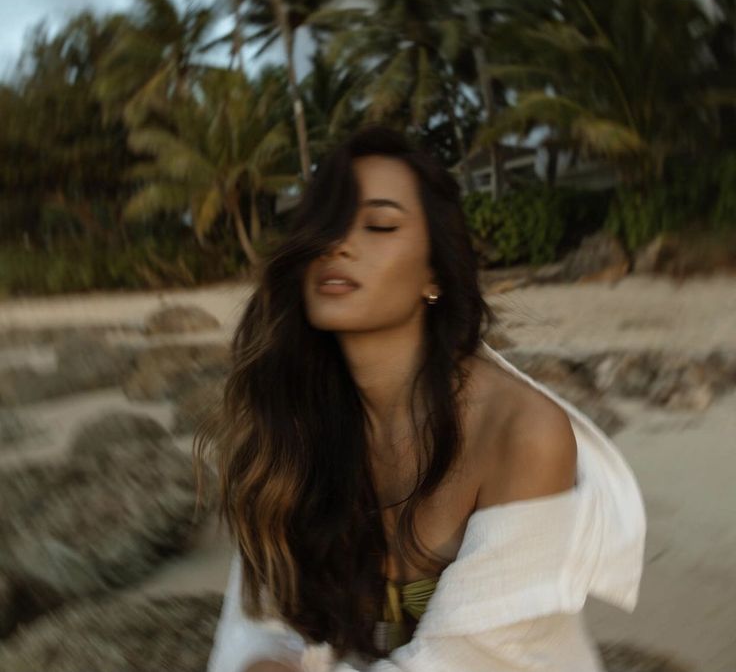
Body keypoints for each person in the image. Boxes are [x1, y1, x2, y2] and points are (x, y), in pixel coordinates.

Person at [198, 124, 646, 672]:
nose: (339, 243)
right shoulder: (292, 422)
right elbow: (260, 632)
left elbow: (468, 661)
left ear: (433, 272)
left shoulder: (520, 433)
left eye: (380, 224)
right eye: (326, 223)